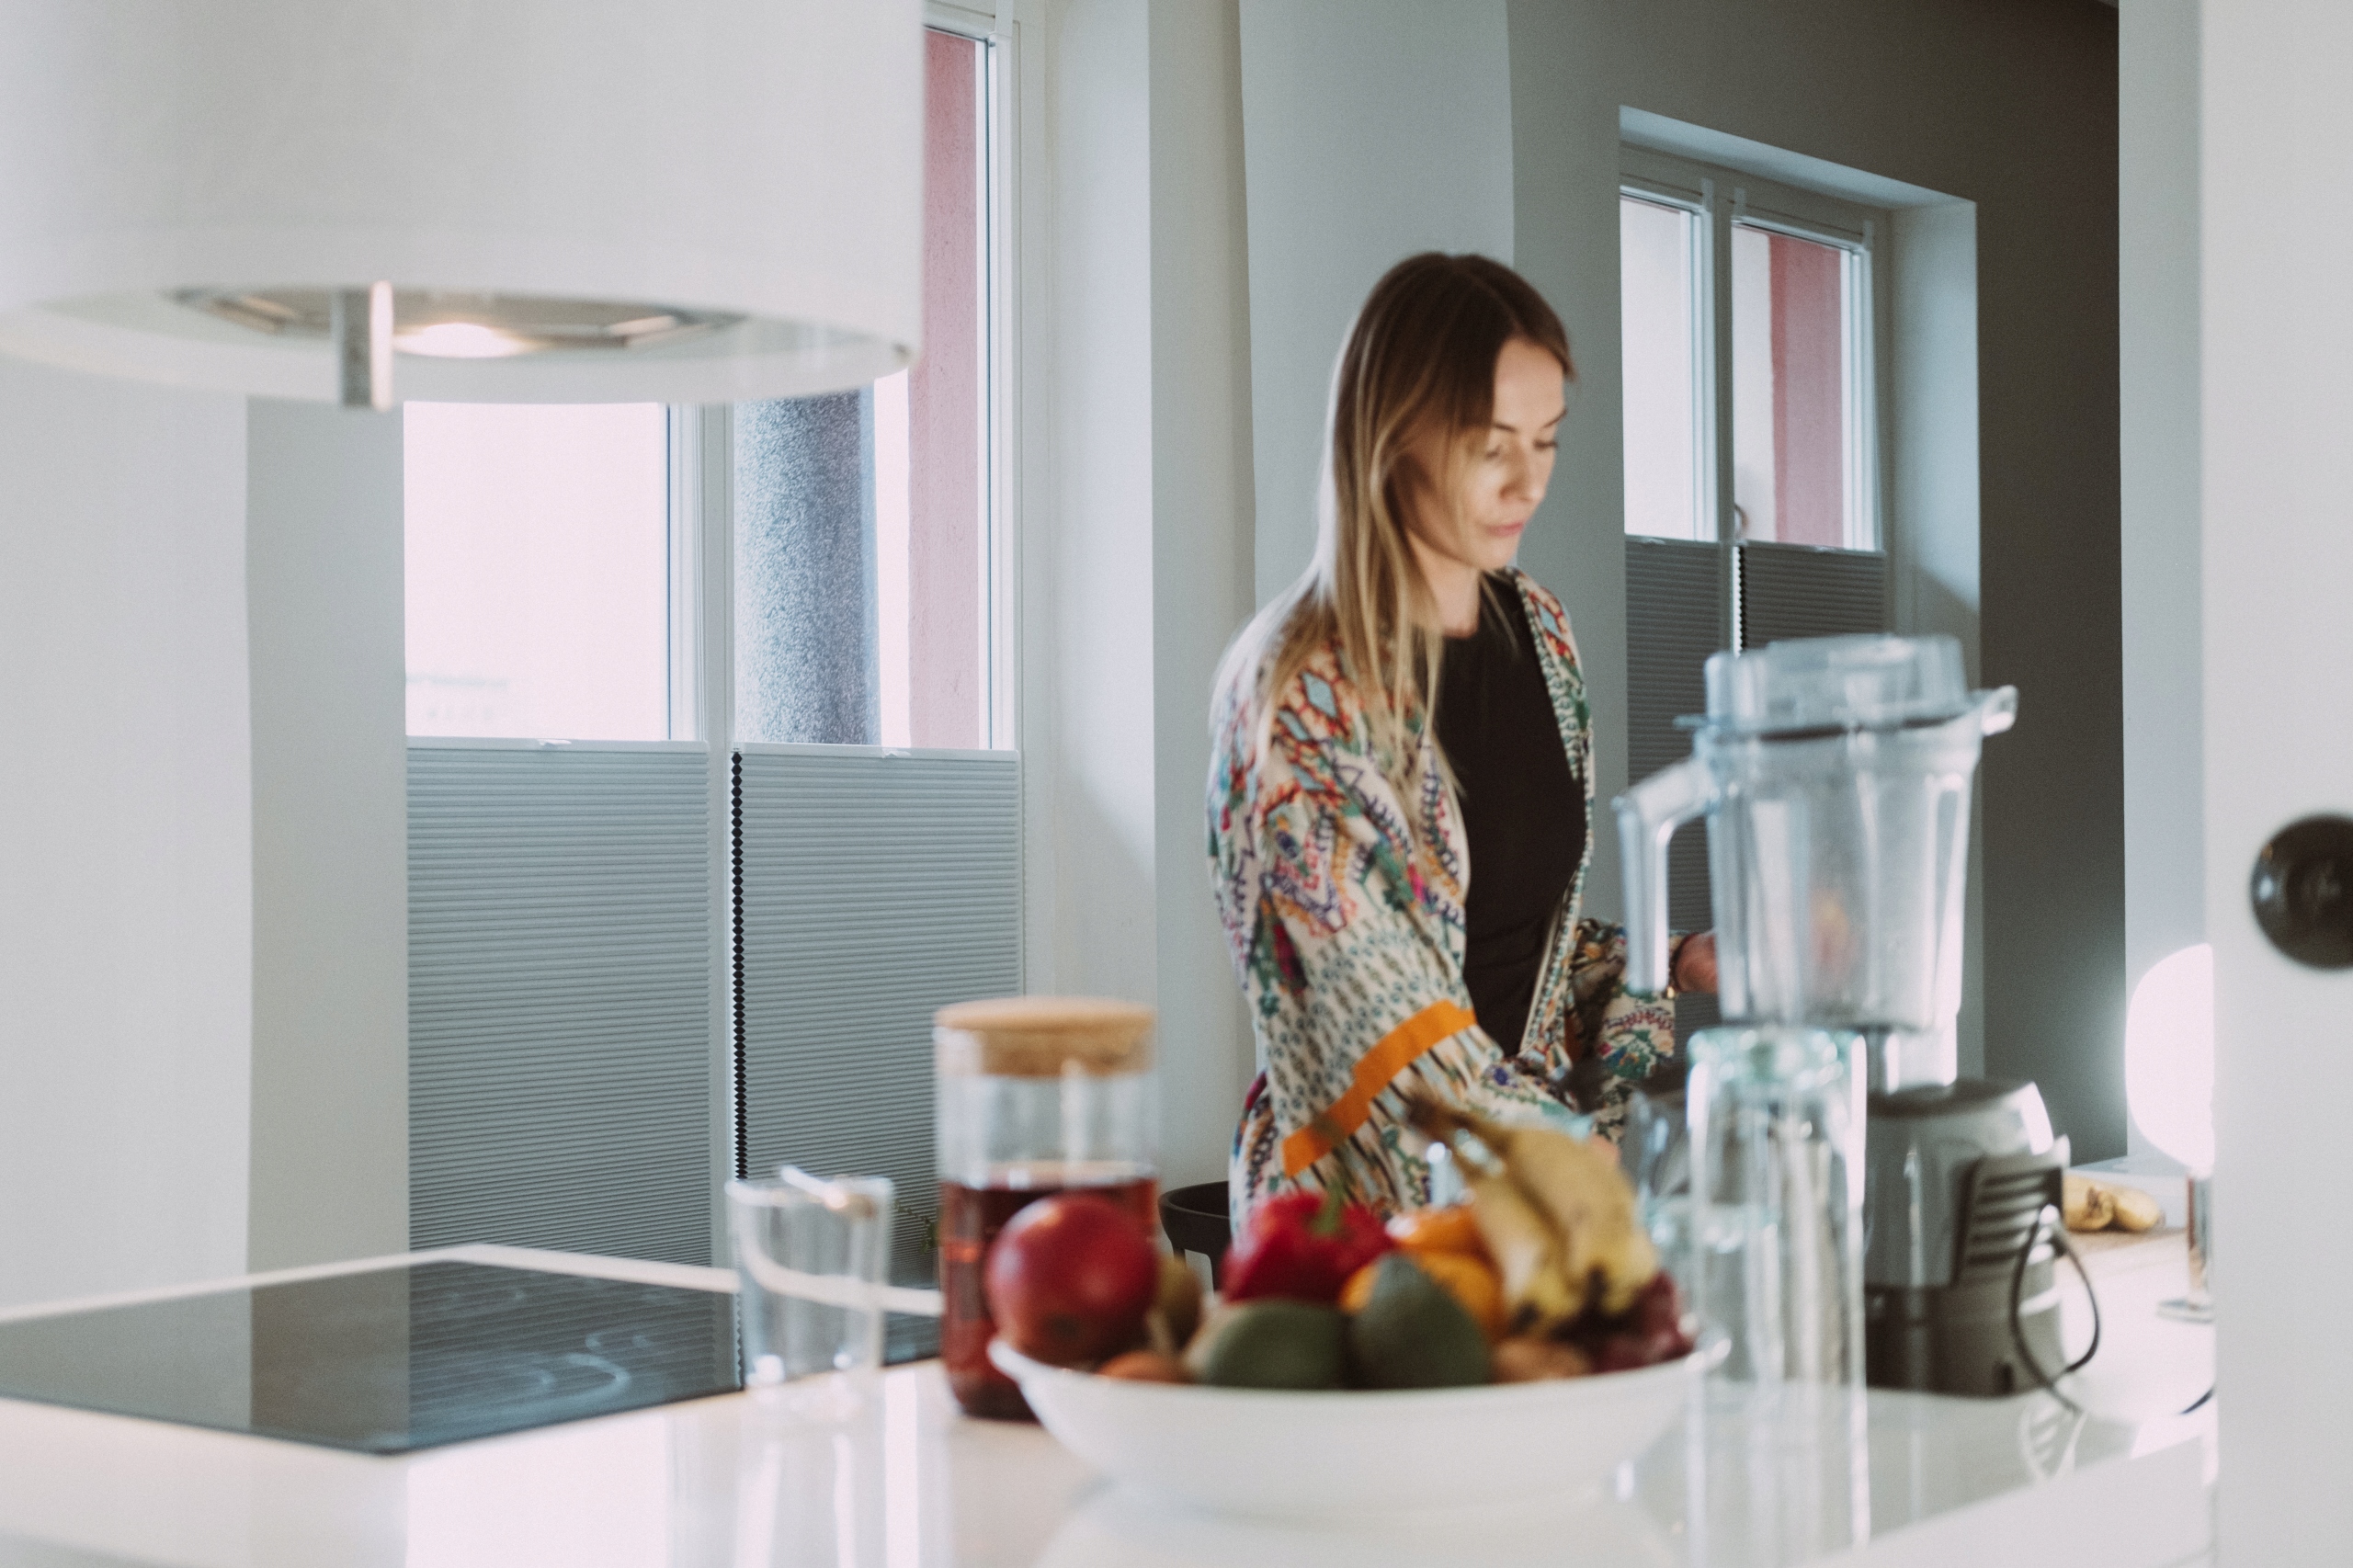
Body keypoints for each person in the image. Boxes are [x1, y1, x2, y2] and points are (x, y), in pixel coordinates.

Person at [1207, 252, 1716, 1229]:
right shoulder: (1296, 694)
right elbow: (1386, 1028)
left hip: (1527, 1208)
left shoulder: (1542, 633)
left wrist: (1674, 958)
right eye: (1493, 447)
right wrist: (1584, 1165)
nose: (1529, 481)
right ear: (1394, 436)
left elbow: (1518, 942)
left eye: (1548, 441)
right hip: (1358, 1236)